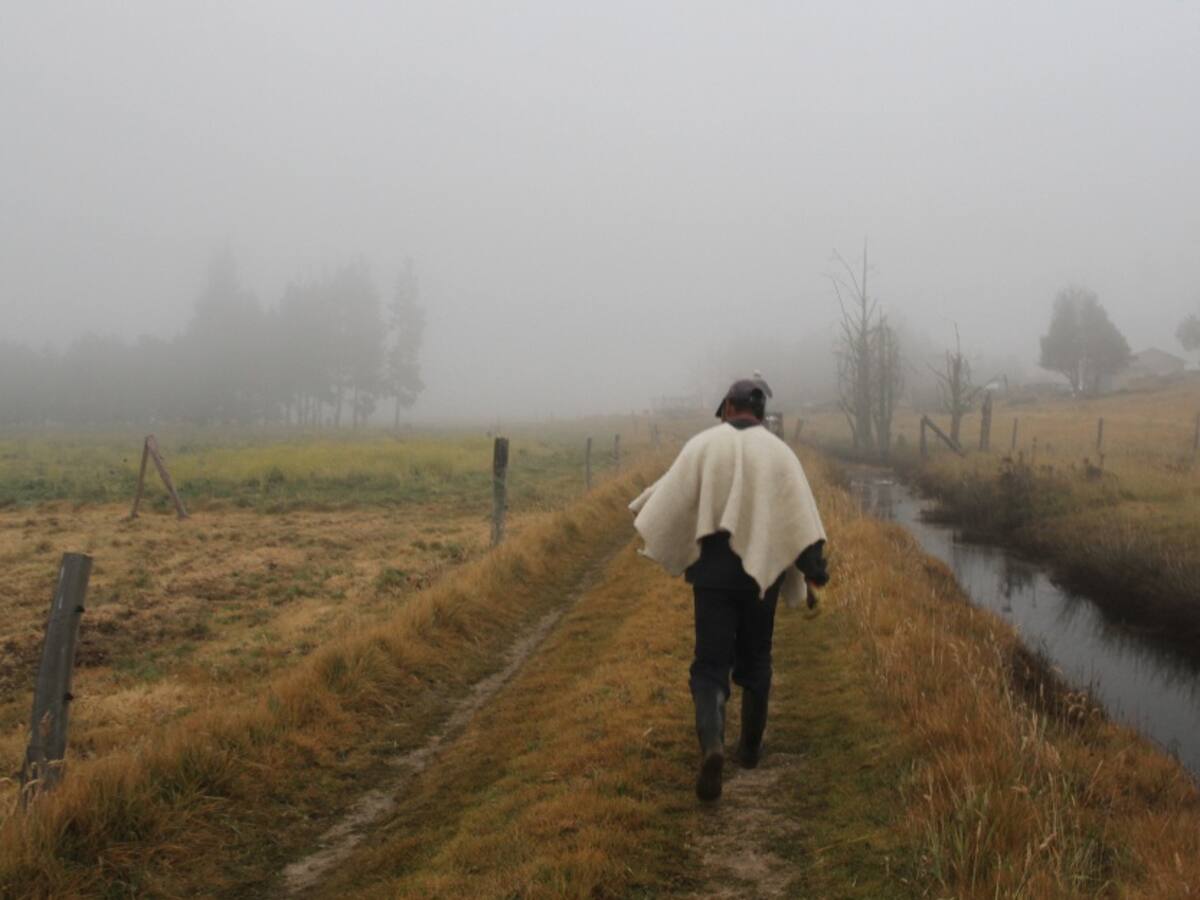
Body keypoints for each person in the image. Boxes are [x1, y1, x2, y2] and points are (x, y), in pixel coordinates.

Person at [629, 378, 829, 802]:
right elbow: (801, 519)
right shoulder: (780, 453)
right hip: (764, 577)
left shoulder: (702, 445)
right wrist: (815, 573)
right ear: (759, 411)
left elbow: (672, 494)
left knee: (710, 664)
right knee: (757, 657)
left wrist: (647, 509)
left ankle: (713, 745)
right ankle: (750, 750)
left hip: (712, 575)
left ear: (728, 407)